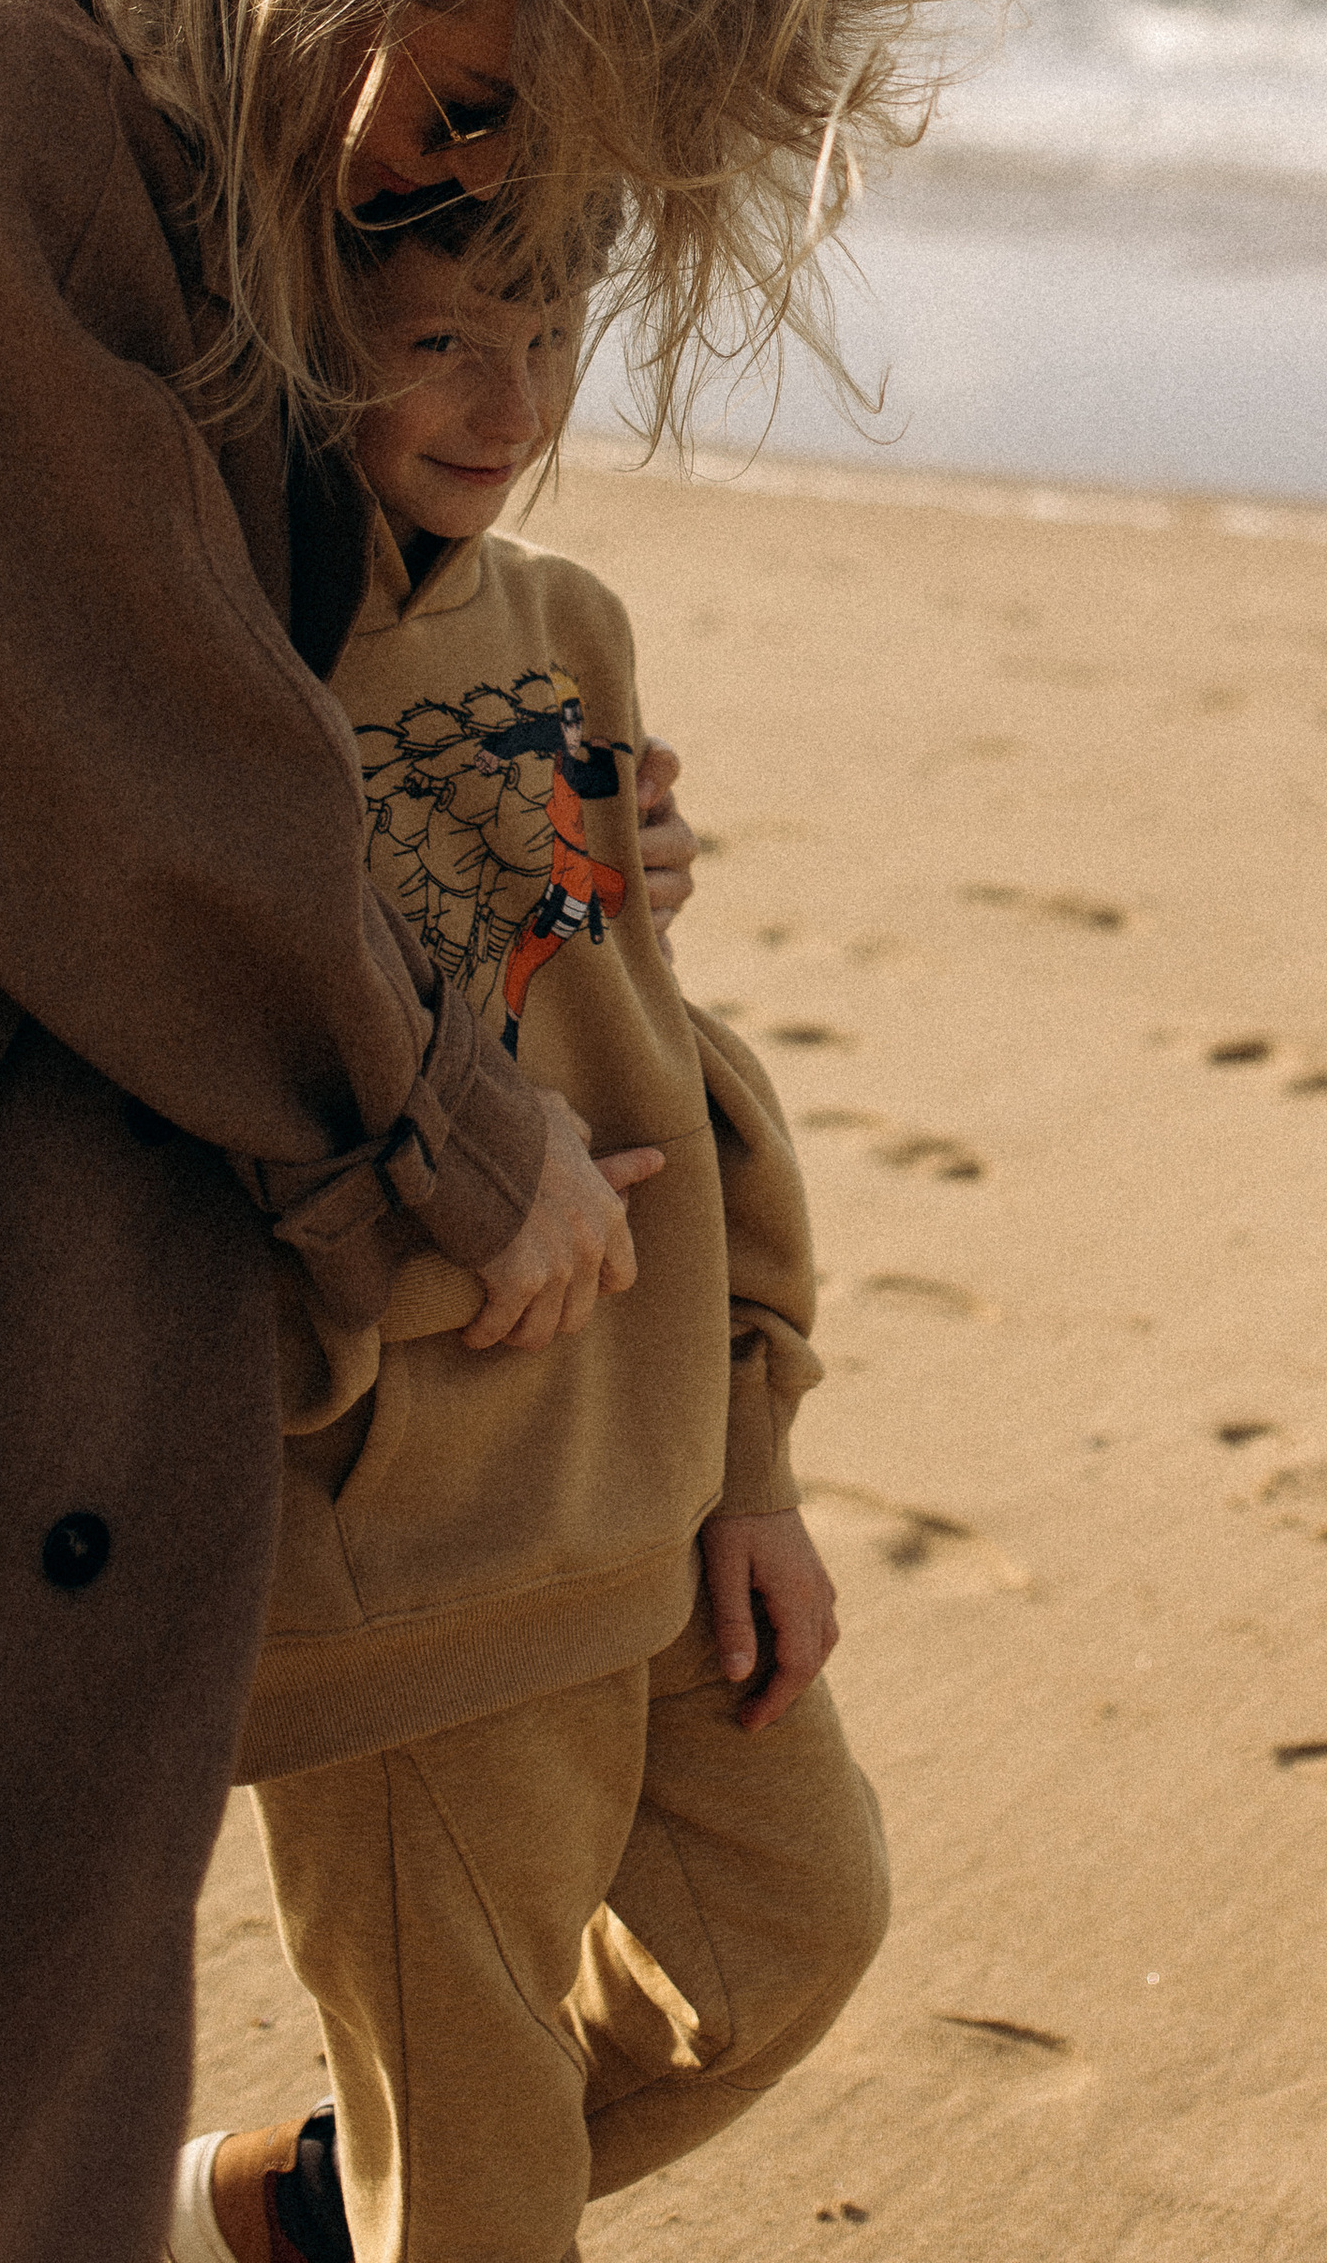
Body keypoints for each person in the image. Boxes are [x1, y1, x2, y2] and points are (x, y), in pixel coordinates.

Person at [0, 0, 930, 2263]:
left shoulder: (156, 135)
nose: (451, 198)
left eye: (529, 174)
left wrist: (543, 849)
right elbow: (127, 741)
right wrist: (451, 1143)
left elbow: (231, 727)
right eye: (461, 106)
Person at [171, 214, 885, 2263]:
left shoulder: (565, 629)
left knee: (784, 1935)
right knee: (479, 2190)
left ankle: (294, 2217)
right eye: (438, 342)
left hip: (651, 1496)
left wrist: (752, 1458)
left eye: (547, 332)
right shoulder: (213, 671)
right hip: (412, 1562)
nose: (511, 400)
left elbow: (646, 1040)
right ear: (307, 344)